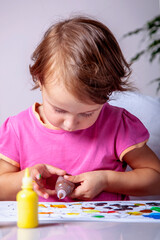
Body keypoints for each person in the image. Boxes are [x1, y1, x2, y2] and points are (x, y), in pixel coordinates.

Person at [0, 16, 160, 202]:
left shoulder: (117, 125)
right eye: (59, 110)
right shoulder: (18, 129)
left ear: (109, 91)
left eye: (87, 113)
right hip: (38, 230)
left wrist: (106, 180)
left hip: (107, 230)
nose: (70, 124)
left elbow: (155, 179)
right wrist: (26, 178)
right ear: (39, 79)